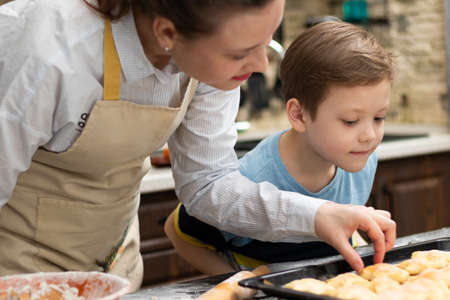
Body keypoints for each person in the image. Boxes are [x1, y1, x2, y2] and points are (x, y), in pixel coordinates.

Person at [0, 0, 394, 291]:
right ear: (167, 32)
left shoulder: (208, 66)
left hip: (115, 264)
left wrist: (317, 214)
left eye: (265, 42)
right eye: (240, 52)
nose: (260, 65)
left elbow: (208, 185)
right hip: (18, 270)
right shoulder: (41, 47)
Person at [164, 21, 396, 274]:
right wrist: (238, 283)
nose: (370, 136)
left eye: (379, 118)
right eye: (350, 121)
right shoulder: (250, 179)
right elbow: (177, 233)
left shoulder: (361, 161)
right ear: (298, 115)